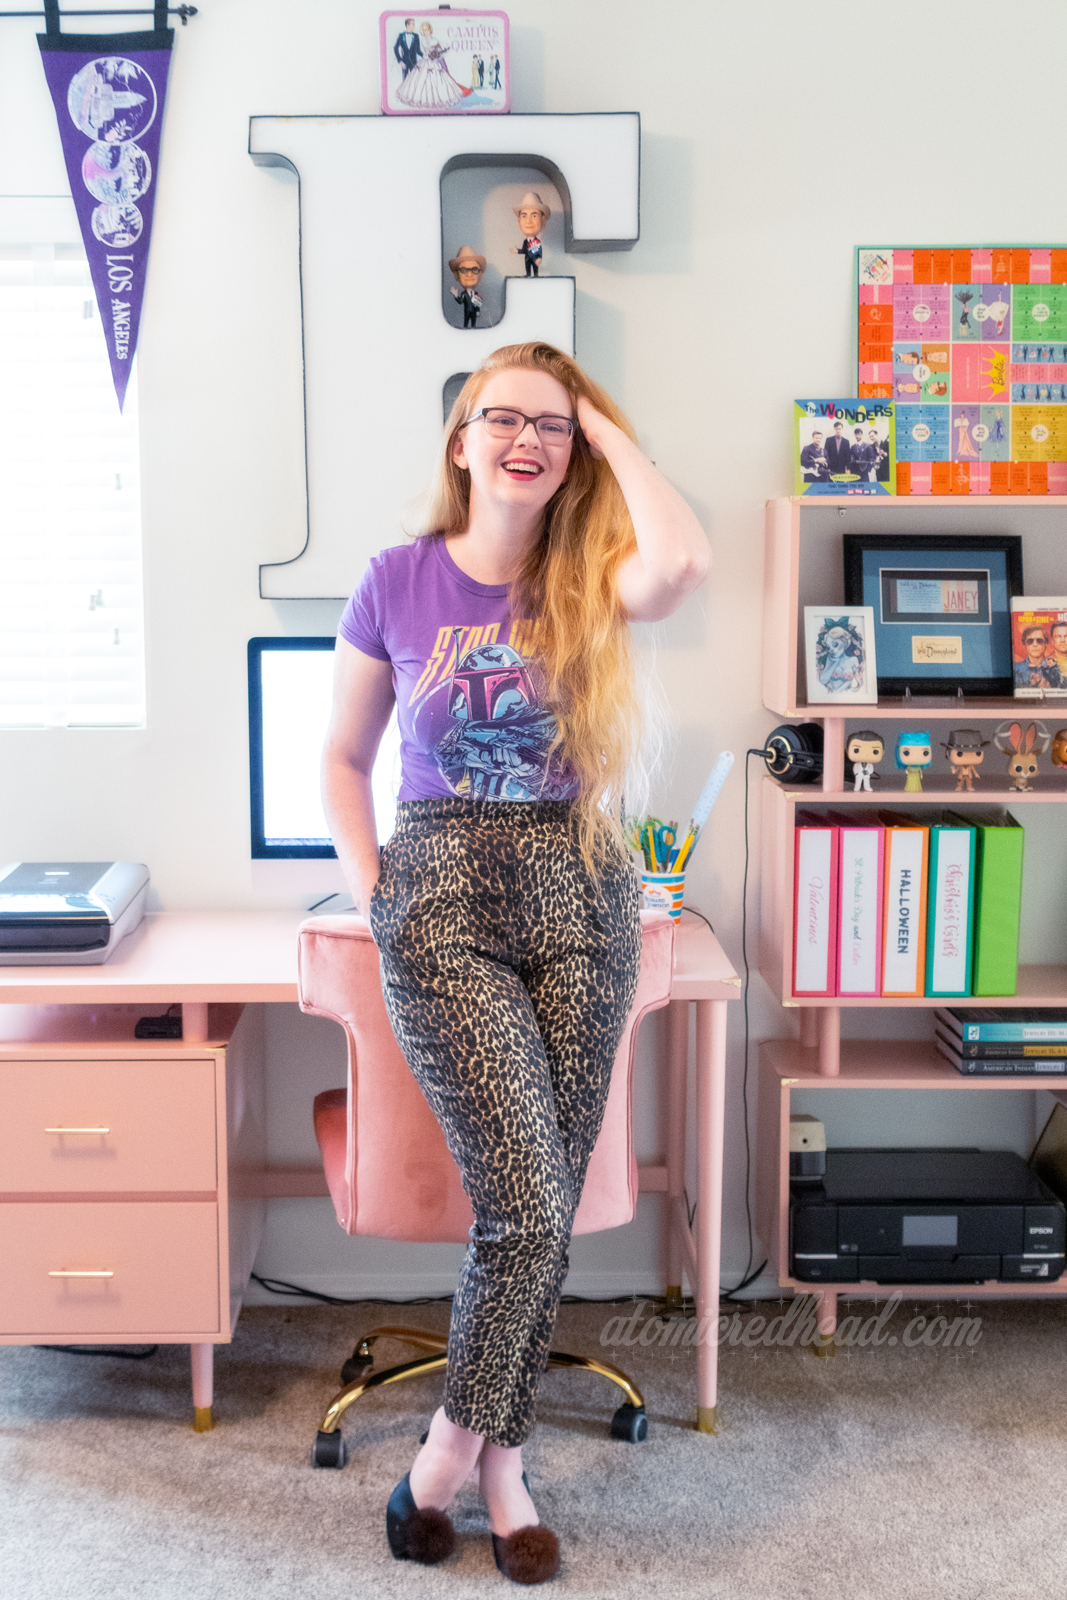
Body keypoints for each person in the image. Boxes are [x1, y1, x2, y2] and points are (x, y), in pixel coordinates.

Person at [322, 342, 709, 1582]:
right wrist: (381, 894)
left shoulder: (592, 576)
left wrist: (602, 425)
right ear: (458, 440)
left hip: (580, 891)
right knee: (535, 1202)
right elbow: (342, 758)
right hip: (439, 888)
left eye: (551, 423)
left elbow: (685, 562)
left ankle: (493, 1457)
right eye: (501, 418)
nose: (524, 438)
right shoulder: (396, 578)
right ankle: (448, 1455)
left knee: (525, 1211)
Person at [396, 21, 472, 110]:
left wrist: (436, 54)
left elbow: (439, 52)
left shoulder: (435, 40)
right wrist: (425, 55)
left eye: (427, 30)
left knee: (436, 81)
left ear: (430, 30)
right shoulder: (422, 40)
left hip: (434, 62)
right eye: (424, 30)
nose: (426, 32)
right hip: (424, 61)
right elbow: (420, 52)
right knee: (421, 81)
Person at [510, 192, 550, 277]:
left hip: (535, 259)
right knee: (528, 267)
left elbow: (539, 250)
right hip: (527, 259)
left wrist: (539, 258)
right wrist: (517, 251)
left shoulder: (537, 242)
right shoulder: (525, 241)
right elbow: (525, 250)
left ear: (542, 220)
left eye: (534, 216)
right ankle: (528, 274)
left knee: (535, 269)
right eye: (524, 216)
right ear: (519, 220)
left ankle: (535, 275)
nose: (528, 221)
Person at [448, 245, 487, 328]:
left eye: (475, 269)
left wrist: (478, 312)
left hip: (474, 315)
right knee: (465, 324)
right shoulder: (462, 295)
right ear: (456, 275)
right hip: (465, 315)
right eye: (463, 270)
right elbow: (460, 301)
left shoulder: (477, 294)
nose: (469, 274)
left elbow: (478, 304)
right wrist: (455, 295)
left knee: (473, 324)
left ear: (480, 275)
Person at [1014, 622, 1055, 689]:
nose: (1035, 644)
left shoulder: (1055, 668)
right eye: (1030, 641)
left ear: (1046, 643)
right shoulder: (1016, 668)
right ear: (1025, 643)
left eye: (1039, 640)